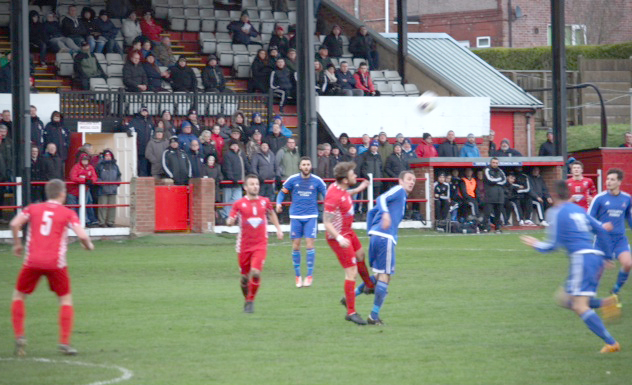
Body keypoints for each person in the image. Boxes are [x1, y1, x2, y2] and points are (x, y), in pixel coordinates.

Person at [520, 180, 621, 354]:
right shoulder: (579, 209)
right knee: (564, 299)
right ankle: (606, 303)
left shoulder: (557, 212)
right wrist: (606, 256)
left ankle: (611, 343)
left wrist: (536, 244)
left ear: (554, 195)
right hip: (594, 256)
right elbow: (602, 230)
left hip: (582, 259)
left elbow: (552, 245)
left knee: (579, 306)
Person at [10, 179, 94, 357]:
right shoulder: (67, 212)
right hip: (56, 263)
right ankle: (64, 342)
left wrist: (17, 245)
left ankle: (20, 336)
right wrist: (88, 246)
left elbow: (14, 224)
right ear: (63, 194)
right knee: (65, 300)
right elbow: (82, 235)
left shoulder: (33, 208)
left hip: (32, 261)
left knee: (18, 296)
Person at [363, 171, 416, 324]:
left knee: (381, 276)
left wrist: (370, 231)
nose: (411, 182)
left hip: (378, 236)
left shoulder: (402, 197)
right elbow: (381, 198)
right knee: (385, 275)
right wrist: (385, 214)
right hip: (385, 237)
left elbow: (372, 211)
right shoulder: (399, 191)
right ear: (400, 181)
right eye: (408, 179)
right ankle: (373, 316)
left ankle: (352, 295)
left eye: (413, 180)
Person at [323, 162, 372, 325]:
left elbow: (346, 194)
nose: (355, 176)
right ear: (344, 179)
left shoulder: (340, 189)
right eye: (352, 174)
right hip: (338, 237)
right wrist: (338, 238)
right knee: (351, 272)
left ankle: (368, 285)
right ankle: (351, 312)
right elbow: (326, 222)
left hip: (348, 231)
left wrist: (358, 189)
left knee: (360, 255)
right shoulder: (333, 195)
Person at [227, 174, 283, 313]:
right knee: (245, 278)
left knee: (256, 272)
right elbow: (231, 217)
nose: (255, 186)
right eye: (251, 184)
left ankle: (251, 301)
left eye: (257, 184)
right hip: (244, 246)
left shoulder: (265, 201)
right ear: (245, 187)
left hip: (260, 244)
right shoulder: (239, 203)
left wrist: (278, 229)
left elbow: (271, 214)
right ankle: (247, 299)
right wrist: (229, 221)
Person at [276, 157, 327, 287]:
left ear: (311, 166)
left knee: (310, 245)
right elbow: (282, 193)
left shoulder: (317, 181)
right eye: (303, 164)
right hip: (295, 216)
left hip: (311, 216)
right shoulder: (292, 180)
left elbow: (326, 194)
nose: (306, 167)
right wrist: (278, 203)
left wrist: (330, 206)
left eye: (308, 164)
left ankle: (309, 276)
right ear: (300, 166)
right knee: (296, 246)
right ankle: (298, 276)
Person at [588, 168, 632, 300]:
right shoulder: (599, 198)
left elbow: (629, 218)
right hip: (602, 241)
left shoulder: (627, 198)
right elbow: (588, 218)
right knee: (597, 272)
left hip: (620, 240)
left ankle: (615, 290)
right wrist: (601, 226)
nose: (608, 182)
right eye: (607, 179)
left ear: (619, 182)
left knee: (628, 264)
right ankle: (590, 297)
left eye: (612, 179)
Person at [221, 140, 250, 220]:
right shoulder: (227, 155)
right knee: (227, 200)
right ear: (230, 147)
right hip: (229, 182)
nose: (235, 147)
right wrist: (231, 178)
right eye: (233, 145)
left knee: (237, 200)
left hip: (239, 181)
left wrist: (251, 173)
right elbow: (227, 168)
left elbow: (246, 165)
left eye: (236, 145)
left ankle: (232, 216)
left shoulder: (241, 154)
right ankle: (225, 216)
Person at [68, 153, 99, 226]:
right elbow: (73, 177)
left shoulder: (90, 167)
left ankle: (87, 220)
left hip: (85, 190)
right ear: (80, 160)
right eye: (83, 160)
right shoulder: (76, 167)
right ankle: (73, 222)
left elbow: (94, 177)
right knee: (73, 207)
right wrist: (85, 180)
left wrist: (91, 180)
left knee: (86, 204)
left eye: (86, 160)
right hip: (73, 191)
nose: (85, 161)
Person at [95, 149, 121, 227]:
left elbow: (119, 175)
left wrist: (117, 183)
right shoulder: (99, 165)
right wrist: (101, 183)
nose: (108, 157)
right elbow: (96, 176)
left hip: (113, 189)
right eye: (106, 156)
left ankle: (110, 222)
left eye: (109, 156)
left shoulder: (115, 166)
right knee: (102, 206)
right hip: (102, 189)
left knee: (112, 206)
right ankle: (102, 222)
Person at [127, 105, 154, 177]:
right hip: (140, 148)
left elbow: (153, 132)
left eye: (146, 111)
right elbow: (128, 128)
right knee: (142, 167)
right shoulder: (135, 121)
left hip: (150, 148)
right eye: (143, 111)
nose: (144, 112)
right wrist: (128, 131)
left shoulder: (150, 121)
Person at [483, 157, 507, 233]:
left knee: (498, 213)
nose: (495, 164)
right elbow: (489, 180)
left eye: (496, 163)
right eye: (493, 162)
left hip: (499, 196)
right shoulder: (487, 169)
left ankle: (497, 228)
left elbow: (504, 181)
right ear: (490, 163)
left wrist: (495, 181)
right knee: (487, 213)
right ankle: (485, 228)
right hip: (490, 195)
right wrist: (498, 179)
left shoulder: (500, 171)